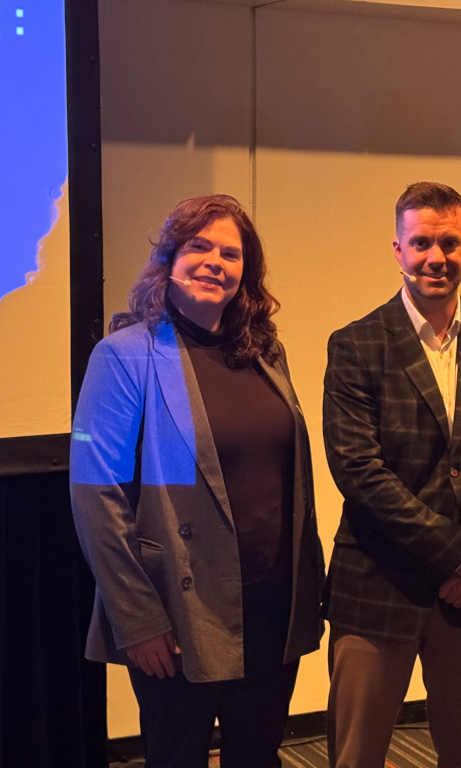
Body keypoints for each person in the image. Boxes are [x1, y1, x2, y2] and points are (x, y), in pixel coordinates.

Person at [70, 195, 325, 767]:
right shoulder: (125, 356)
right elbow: (96, 495)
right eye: (199, 247)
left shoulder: (264, 353)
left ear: (246, 272)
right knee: (177, 756)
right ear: (169, 259)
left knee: (257, 756)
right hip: (180, 614)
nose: (215, 262)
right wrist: (137, 619)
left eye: (230, 254)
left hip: (272, 605)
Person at [321, 181, 461, 768]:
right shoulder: (356, 344)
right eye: (421, 243)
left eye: (449, 242)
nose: (435, 257)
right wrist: (456, 554)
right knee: (355, 757)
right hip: (377, 585)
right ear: (397, 250)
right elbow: (358, 472)